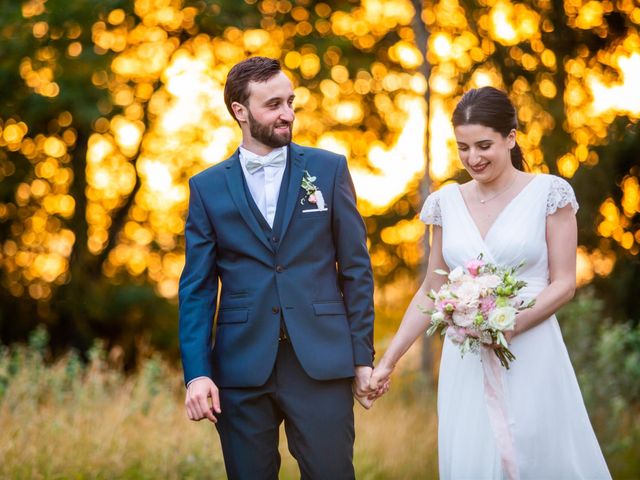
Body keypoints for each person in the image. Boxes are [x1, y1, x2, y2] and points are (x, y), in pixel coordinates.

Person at [369, 86, 611, 479]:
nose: (473, 158)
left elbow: (564, 283)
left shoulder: (549, 193)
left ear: (511, 137)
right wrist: (389, 362)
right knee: (472, 457)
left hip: (531, 350)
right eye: (463, 148)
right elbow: (431, 288)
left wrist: (510, 323)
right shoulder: (446, 203)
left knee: (539, 453)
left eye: (484, 146)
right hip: (465, 359)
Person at [178, 56, 376, 480]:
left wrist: (363, 358)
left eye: (290, 102)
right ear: (240, 111)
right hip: (241, 368)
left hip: (321, 361)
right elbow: (196, 288)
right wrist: (197, 375)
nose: (287, 114)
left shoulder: (328, 169)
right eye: (273, 105)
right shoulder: (206, 187)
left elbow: (356, 269)